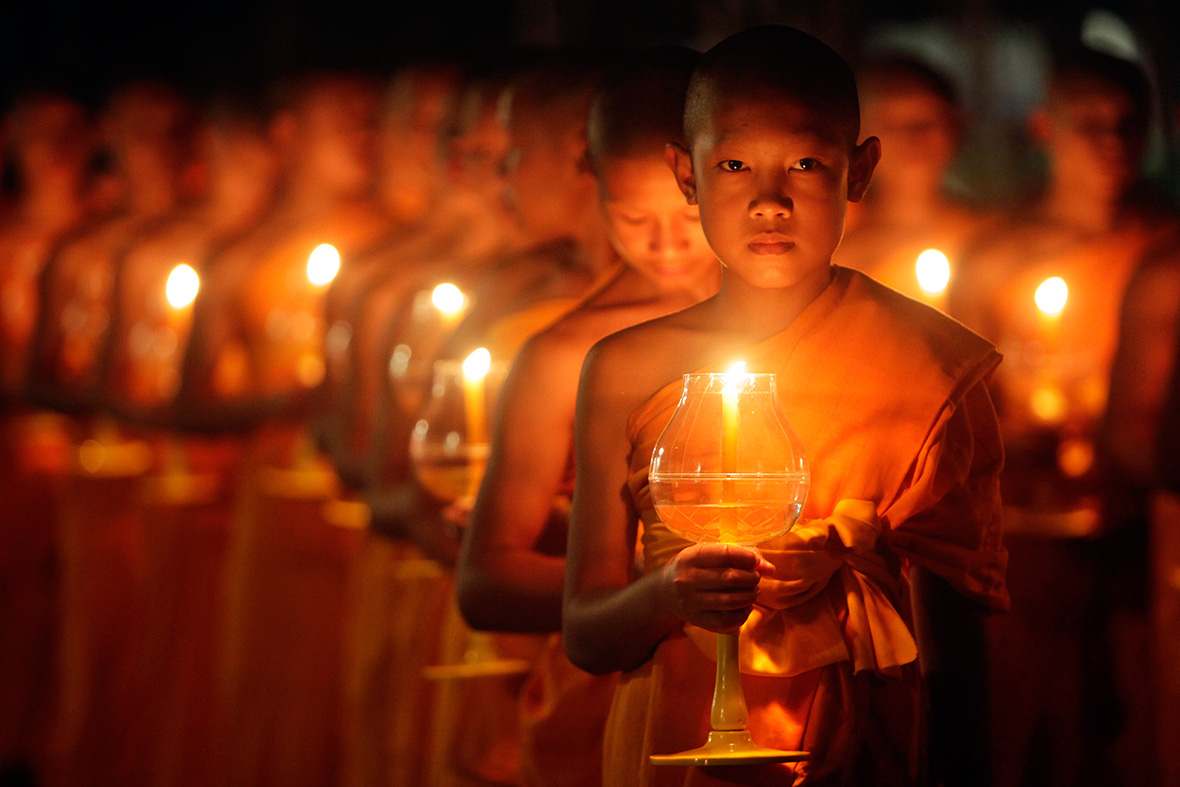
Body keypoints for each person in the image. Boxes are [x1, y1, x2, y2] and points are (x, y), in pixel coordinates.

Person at [563, 26, 1008, 786]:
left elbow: (959, 648)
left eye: (806, 164)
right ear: (686, 174)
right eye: (734, 165)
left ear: (859, 171)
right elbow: (586, 632)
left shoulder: (927, 363)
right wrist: (668, 595)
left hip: (867, 747)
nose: (770, 201)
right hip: (675, 742)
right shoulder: (622, 369)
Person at [455, 48, 719, 787]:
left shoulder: (799, 314)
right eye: (634, 218)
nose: (666, 245)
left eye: (688, 213)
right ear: (592, 180)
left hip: (787, 678)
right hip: (617, 683)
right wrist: (651, 589)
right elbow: (484, 580)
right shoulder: (567, 352)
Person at [948, 47, 1179, 787]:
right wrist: (1021, 427)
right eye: (1090, 124)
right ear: (1045, 127)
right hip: (1030, 529)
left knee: (1140, 716)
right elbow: (956, 408)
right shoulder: (999, 256)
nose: (1113, 143)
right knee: (1036, 724)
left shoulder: (1161, 243)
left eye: (1128, 123)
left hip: (1140, 520)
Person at [832, 56, 993, 308]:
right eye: (892, 123)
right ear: (858, 136)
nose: (913, 137)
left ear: (957, 125)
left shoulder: (992, 241)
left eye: (927, 120)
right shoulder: (833, 256)